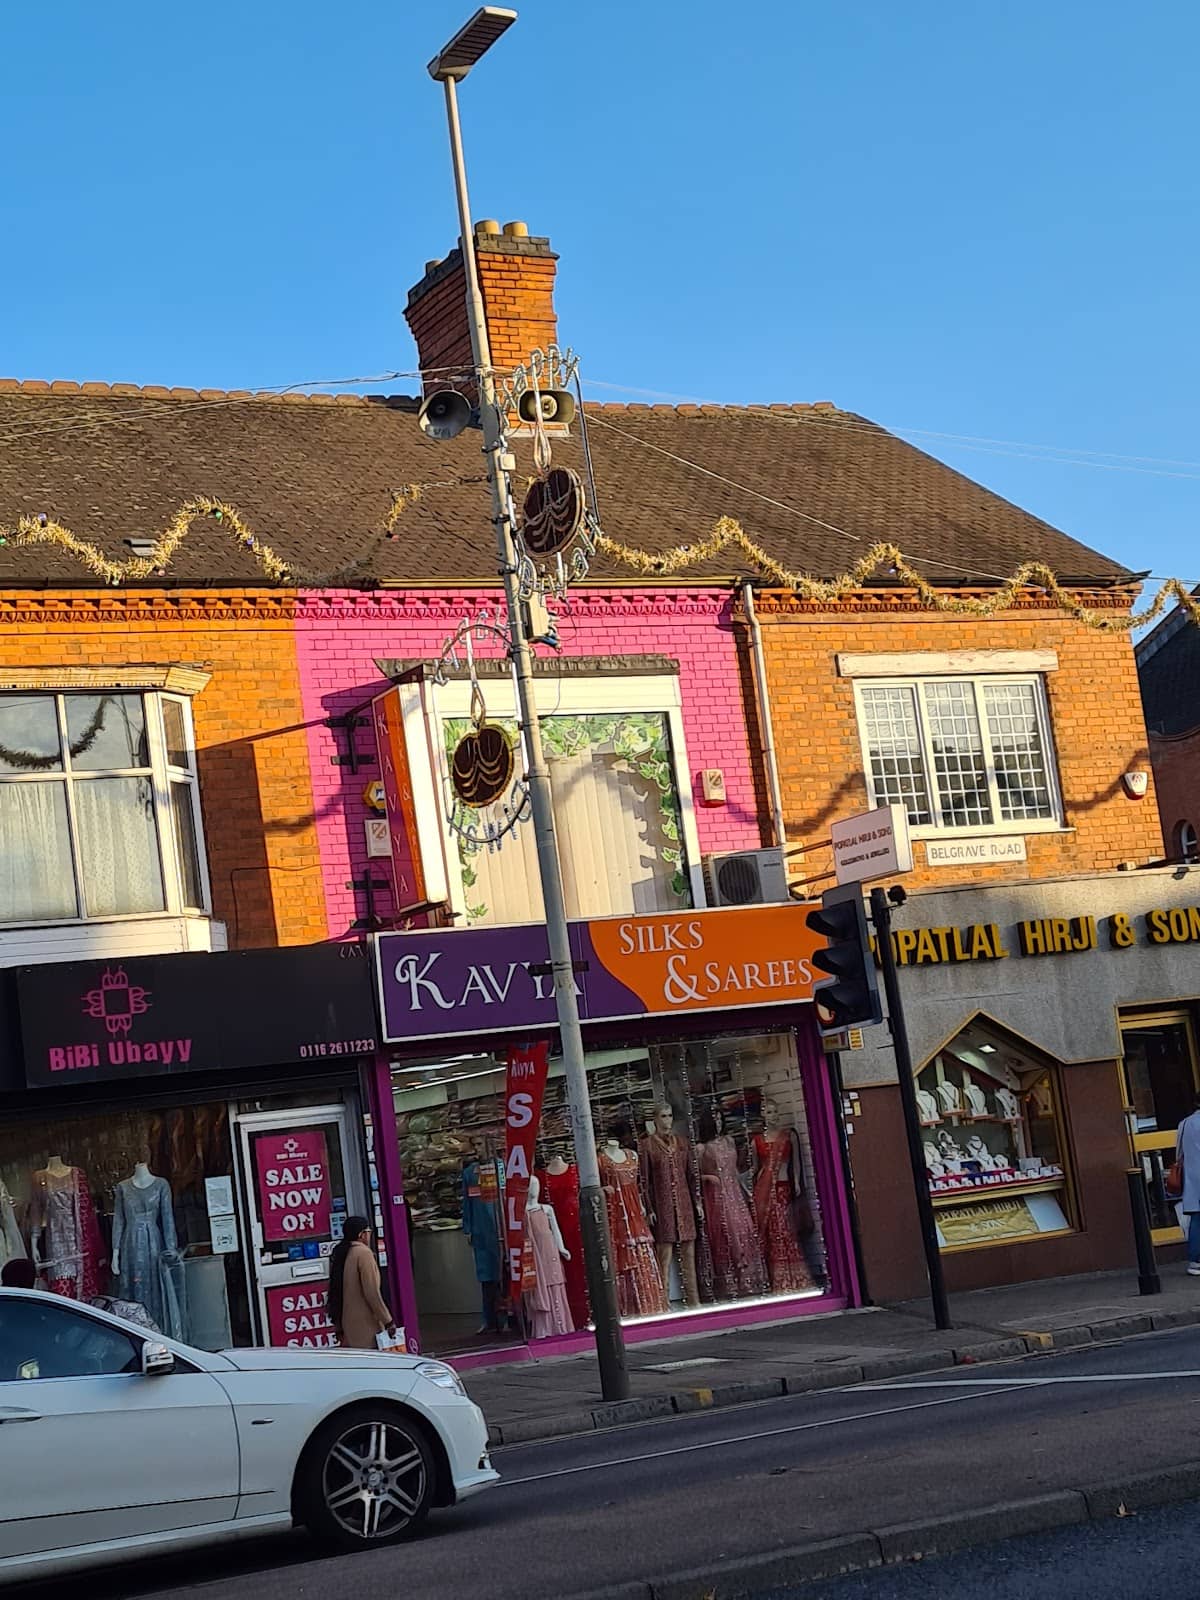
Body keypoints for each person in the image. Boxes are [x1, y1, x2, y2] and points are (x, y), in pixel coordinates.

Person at [327, 1217, 397, 1349]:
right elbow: (372, 1293)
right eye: (368, 1231)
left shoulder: (340, 1253)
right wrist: (388, 1321)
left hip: (347, 1325)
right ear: (361, 1234)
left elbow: (335, 1292)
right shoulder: (363, 1253)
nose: (370, 1235)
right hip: (366, 1325)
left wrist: (338, 1326)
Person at [1177, 1096, 1200, 1276]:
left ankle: (1195, 1261)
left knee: (1197, 1220)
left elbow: (1179, 1154)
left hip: (1193, 1179)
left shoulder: (1184, 1124)